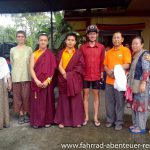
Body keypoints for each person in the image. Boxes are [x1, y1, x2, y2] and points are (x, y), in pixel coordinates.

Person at [54, 33, 85, 128]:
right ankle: (63, 121)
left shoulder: (79, 53)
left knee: (75, 100)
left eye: (72, 40)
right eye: (68, 40)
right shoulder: (61, 52)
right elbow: (58, 65)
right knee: (64, 100)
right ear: (65, 41)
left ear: (75, 42)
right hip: (63, 79)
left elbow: (80, 66)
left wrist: (70, 75)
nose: (70, 42)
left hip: (75, 79)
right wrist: (64, 74)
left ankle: (77, 121)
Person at [104, 32, 131, 130]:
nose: (116, 39)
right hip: (109, 81)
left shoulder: (125, 50)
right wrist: (108, 72)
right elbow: (105, 65)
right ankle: (110, 120)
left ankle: (119, 122)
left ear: (122, 39)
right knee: (109, 103)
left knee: (120, 103)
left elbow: (127, 64)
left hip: (120, 82)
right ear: (112, 40)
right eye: (114, 38)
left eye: (118, 38)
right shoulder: (109, 52)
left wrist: (115, 69)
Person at [80, 25, 105, 127]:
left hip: (96, 75)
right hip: (85, 75)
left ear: (97, 35)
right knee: (85, 95)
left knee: (96, 95)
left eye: (94, 34)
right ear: (87, 35)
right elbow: (80, 62)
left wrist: (102, 73)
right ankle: (86, 117)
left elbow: (103, 61)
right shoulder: (82, 47)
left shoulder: (101, 47)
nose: (92, 35)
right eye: (90, 34)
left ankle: (95, 117)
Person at [30, 33, 56, 128]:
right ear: (38, 41)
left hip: (47, 82)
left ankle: (47, 120)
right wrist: (36, 80)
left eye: (45, 40)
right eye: (41, 40)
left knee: (47, 102)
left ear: (47, 42)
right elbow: (31, 69)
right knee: (37, 103)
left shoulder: (50, 54)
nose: (43, 42)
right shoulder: (34, 54)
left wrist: (47, 81)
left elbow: (52, 69)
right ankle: (37, 122)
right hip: (36, 82)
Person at [127, 36, 150, 134]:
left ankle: (141, 127)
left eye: (136, 43)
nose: (134, 45)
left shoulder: (145, 54)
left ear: (142, 44)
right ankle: (136, 124)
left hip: (141, 84)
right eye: (133, 43)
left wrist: (144, 83)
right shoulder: (135, 54)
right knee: (135, 105)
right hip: (134, 84)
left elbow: (146, 70)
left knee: (141, 106)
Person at [10, 31, 32, 124]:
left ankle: (26, 113)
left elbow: (32, 63)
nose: (20, 38)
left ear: (25, 38)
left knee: (26, 96)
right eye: (18, 36)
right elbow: (12, 64)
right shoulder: (12, 50)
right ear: (16, 38)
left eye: (22, 36)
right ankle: (21, 114)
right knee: (17, 97)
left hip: (27, 76)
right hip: (16, 77)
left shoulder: (29, 49)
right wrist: (11, 78)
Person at [0, 57, 12, 129]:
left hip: (2, 83)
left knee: (3, 102)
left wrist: (9, 82)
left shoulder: (2, 60)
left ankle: (4, 122)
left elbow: (7, 73)